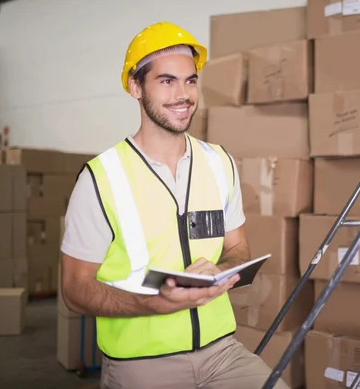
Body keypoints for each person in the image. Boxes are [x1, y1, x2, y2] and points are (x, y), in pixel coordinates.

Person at [59, 21, 289, 389]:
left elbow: (237, 247)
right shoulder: (101, 178)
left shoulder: (219, 163)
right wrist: (153, 305)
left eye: (190, 80)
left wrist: (220, 270)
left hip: (222, 353)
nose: (183, 94)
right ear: (136, 87)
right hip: (142, 365)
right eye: (167, 81)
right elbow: (74, 289)